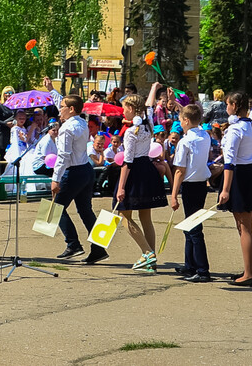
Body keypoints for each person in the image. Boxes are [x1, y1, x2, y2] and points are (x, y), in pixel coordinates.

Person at [217, 92, 252, 287]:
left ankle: (249, 273)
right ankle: (247, 269)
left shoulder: (235, 130)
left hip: (240, 177)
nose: (226, 108)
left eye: (227, 104)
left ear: (233, 105)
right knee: (243, 225)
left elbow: (229, 163)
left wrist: (225, 190)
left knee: (245, 226)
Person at [50, 96, 107, 264]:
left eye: (62, 107)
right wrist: (52, 90)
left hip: (73, 171)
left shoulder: (67, 128)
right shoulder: (82, 122)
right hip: (85, 170)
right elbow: (66, 101)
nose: (59, 109)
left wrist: (56, 178)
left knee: (55, 209)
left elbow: (63, 156)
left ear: (71, 109)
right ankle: (98, 248)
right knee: (85, 210)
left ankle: (73, 244)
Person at [117, 94, 167, 273]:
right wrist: (153, 89)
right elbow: (150, 107)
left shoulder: (131, 132)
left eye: (124, 108)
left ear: (131, 109)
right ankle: (151, 260)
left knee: (124, 215)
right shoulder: (149, 126)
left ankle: (148, 253)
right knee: (146, 218)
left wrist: (121, 186)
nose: (123, 111)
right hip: (147, 169)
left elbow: (127, 161)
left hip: (134, 173)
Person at [169, 104, 212, 282]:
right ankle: (190, 265)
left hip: (190, 184)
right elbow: (192, 114)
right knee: (189, 226)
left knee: (194, 228)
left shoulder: (185, 141)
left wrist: (173, 195)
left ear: (186, 121)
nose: (180, 123)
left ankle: (202, 270)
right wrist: (179, 106)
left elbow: (179, 170)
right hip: (201, 184)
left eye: (181, 120)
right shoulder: (204, 134)